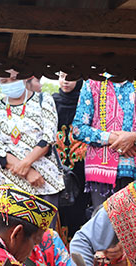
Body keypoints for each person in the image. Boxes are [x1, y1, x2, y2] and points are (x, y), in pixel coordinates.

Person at [72, 76, 136, 209]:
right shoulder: (93, 83)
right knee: (103, 223)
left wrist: (135, 136)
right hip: (101, 174)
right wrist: (113, 139)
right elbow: (78, 129)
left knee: (135, 224)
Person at [0, 70, 64, 209]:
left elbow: (48, 138)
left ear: (24, 77)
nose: (10, 83)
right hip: (10, 185)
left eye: (14, 79)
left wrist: (27, 163)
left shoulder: (44, 100)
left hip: (44, 181)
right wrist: (28, 172)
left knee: (45, 231)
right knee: (10, 229)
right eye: (4, 81)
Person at [53, 72, 89, 238]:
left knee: (80, 208)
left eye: (70, 77)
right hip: (57, 167)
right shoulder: (51, 102)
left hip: (82, 168)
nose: (64, 81)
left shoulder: (86, 102)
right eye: (61, 76)